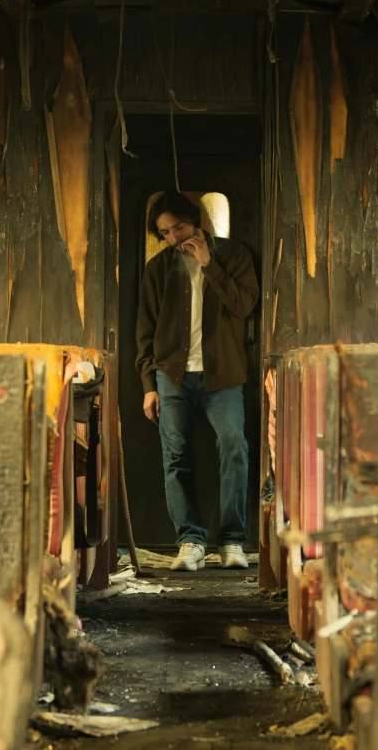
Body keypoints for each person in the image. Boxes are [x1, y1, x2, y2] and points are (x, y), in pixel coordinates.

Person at [136, 190, 259, 572]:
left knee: (233, 446)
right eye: (165, 232)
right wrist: (148, 384)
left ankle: (232, 541)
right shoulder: (157, 270)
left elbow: (244, 305)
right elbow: (145, 330)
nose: (174, 237)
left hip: (222, 373)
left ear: (196, 221)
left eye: (179, 227)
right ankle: (190, 540)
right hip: (171, 375)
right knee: (176, 458)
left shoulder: (234, 255)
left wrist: (209, 264)